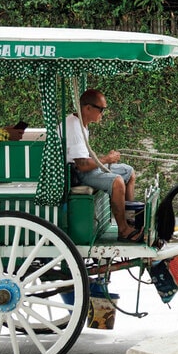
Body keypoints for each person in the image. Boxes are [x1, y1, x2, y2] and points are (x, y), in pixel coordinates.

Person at [61, 88, 141, 241]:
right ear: (88, 108)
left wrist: (104, 159)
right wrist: (106, 159)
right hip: (77, 174)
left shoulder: (81, 122)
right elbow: (83, 166)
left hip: (82, 169)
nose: (103, 114)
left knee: (129, 172)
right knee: (117, 182)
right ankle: (123, 230)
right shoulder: (74, 127)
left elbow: (84, 156)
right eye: (101, 109)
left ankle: (130, 220)